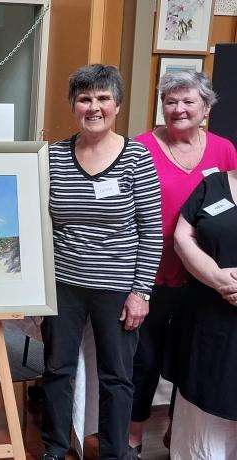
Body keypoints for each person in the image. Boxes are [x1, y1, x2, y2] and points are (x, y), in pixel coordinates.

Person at [41, 64, 163, 460]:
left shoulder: (136, 157)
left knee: (117, 376)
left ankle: (114, 452)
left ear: (117, 104)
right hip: (62, 283)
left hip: (117, 287)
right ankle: (55, 447)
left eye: (102, 98)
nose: (93, 106)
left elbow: (151, 230)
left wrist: (141, 292)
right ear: (73, 105)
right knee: (58, 370)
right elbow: (38, 219)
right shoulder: (53, 156)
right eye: (84, 98)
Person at [129, 70, 237, 455]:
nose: (178, 109)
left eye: (188, 101)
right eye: (170, 101)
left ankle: (180, 429)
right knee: (143, 358)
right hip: (151, 272)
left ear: (205, 107)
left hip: (201, 280)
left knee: (187, 358)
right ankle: (134, 435)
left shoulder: (224, 150)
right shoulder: (140, 147)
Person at [170, 169, 237, 458]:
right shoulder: (213, 185)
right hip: (209, 324)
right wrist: (219, 279)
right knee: (203, 422)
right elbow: (182, 237)